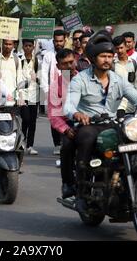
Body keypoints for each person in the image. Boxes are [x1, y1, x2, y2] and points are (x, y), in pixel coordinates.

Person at [63, 33, 137, 213]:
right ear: (94, 59)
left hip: (113, 123)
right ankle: (80, 191)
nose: (107, 60)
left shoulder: (118, 79)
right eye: (103, 56)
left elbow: (136, 97)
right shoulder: (80, 79)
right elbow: (70, 104)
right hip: (90, 124)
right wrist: (77, 113)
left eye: (110, 56)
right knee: (85, 139)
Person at [47, 49, 78, 198]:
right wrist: (65, 130)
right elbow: (54, 115)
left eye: (71, 62)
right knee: (66, 146)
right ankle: (68, 183)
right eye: (65, 64)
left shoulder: (88, 78)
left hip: (92, 122)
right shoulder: (55, 86)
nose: (69, 66)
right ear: (59, 67)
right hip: (70, 125)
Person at [41, 29, 68, 155]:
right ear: (53, 41)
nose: (59, 43)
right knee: (55, 118)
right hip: (53, 91)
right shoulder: (48, 55)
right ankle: (57, 144)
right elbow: (43, 74)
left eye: (61, 41)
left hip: (67, 91)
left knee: (67, 117)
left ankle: (66, 142)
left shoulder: (69, 54)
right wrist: (46, 91)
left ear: (65, 40)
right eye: (56, 41)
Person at [112, 35, 137, 115]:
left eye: (121, 48)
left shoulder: (134, 63)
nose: (119, 51)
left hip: (131, 106)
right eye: (117, 48)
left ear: (126, 47)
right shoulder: (111, 65)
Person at [19, 39, 40, 155]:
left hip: (34, 94)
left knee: (32, 121)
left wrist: (36, 78)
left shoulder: (37, 61)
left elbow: (42, 79)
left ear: (33, 47)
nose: (28, 48)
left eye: (30, 46)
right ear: (23, 47)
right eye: (26, 46)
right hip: (23, 94)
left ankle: (30, 145)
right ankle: (22, 141)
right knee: (25, 119)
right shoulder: (19, 61)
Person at [0, 39, 22, 106]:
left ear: (13, 45)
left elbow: (19, 79)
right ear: (2, 44)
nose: (7, 46)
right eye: (6, 44)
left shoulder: (17, 60)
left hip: (11, 97)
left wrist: (20, 96)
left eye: (10, 44)